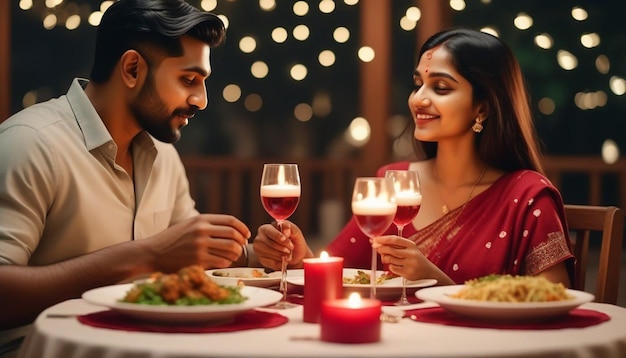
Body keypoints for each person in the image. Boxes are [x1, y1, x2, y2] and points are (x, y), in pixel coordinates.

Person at [0, 0, 251, 339]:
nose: (201, 100)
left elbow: (186, 255)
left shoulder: (164, 154)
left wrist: (253, 252)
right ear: (132, 69)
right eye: (189, 78)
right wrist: (148, 255)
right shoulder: (30, 144)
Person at [253, 28, 575, 289]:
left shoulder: (527, 196)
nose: (419, 99)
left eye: (441, 88)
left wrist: (433, 280)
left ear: (483, 107)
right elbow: (339, 269)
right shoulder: (393, 182)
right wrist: (298, 256)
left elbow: (553, 303)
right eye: (419, 84)